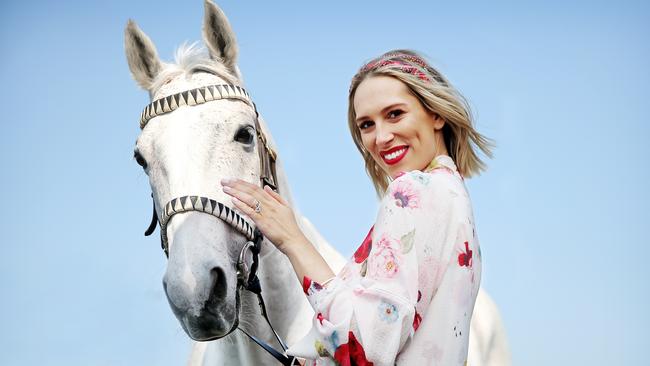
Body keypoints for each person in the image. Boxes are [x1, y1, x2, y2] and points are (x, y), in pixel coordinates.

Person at [221, 49, 493, 366]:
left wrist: (292, 241)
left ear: (436, 114)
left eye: (395, 114)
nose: (382, 137)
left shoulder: (412, 191)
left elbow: (363, 346)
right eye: (366, 125)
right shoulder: (454, 198)